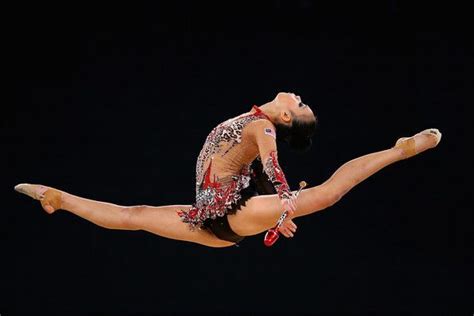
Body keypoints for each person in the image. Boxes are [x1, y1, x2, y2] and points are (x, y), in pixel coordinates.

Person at [14, 92, 442, 248]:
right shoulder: (253, 121)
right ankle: (59, 198)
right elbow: (252, 173)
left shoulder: (263, 126)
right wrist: (280, 208)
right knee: (135, 215)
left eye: (302, 104)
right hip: (209, 219)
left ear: (287, 118)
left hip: (231, 214)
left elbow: (274, 169)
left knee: (326, 194)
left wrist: (286, 206)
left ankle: (397, 151)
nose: (298, 97)